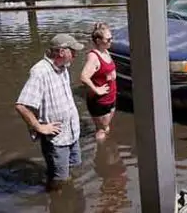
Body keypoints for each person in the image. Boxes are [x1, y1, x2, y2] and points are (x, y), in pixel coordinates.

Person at [15, 33, 86, 191]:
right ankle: (56, 198)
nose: (75, 54)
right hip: (57, 139)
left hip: (72, 132)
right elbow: (22, 105)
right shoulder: (40, 72)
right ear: (61, 52)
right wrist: (39, 127)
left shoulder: (63, 68)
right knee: (59, 179)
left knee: (72, 167)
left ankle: (66, 194)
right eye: (72, 51)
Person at [79, 22, 117, 142]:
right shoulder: (94, 56)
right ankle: (102, 153)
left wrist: (111, 75)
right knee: (101, 130)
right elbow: (84, 77)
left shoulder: (106, 51)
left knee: (106, 127)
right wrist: (97, 90)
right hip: (100, 101)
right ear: (98, 41)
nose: (111, 41)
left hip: (111, 97)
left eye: (111, 38)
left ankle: (109, 149)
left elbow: (106, 69)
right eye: (108, 39)